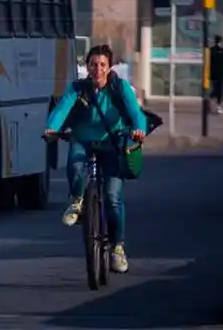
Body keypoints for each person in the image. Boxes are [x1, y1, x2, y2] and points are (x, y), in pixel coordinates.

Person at [43, 44, 147, 274]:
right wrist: (51, 128)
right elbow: (61, 110)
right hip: (83, 139)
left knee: (112, 198)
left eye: (102, 65)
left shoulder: (119, 88)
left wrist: (139, 130)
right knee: (76, 162)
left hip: (113, 142)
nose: (97, 69)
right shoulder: (77, 88)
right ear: (86, 66)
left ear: (110, 68)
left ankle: (117, 247)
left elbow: (135, 112)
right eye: (93, 64)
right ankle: (77, 200)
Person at [208, 35, 223, 114]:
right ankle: (212, 101)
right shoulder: (212, 51)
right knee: (216, 89)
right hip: (214, 74)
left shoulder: (222, 51)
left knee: (219, 90)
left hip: (219, 74)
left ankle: (217, 104)